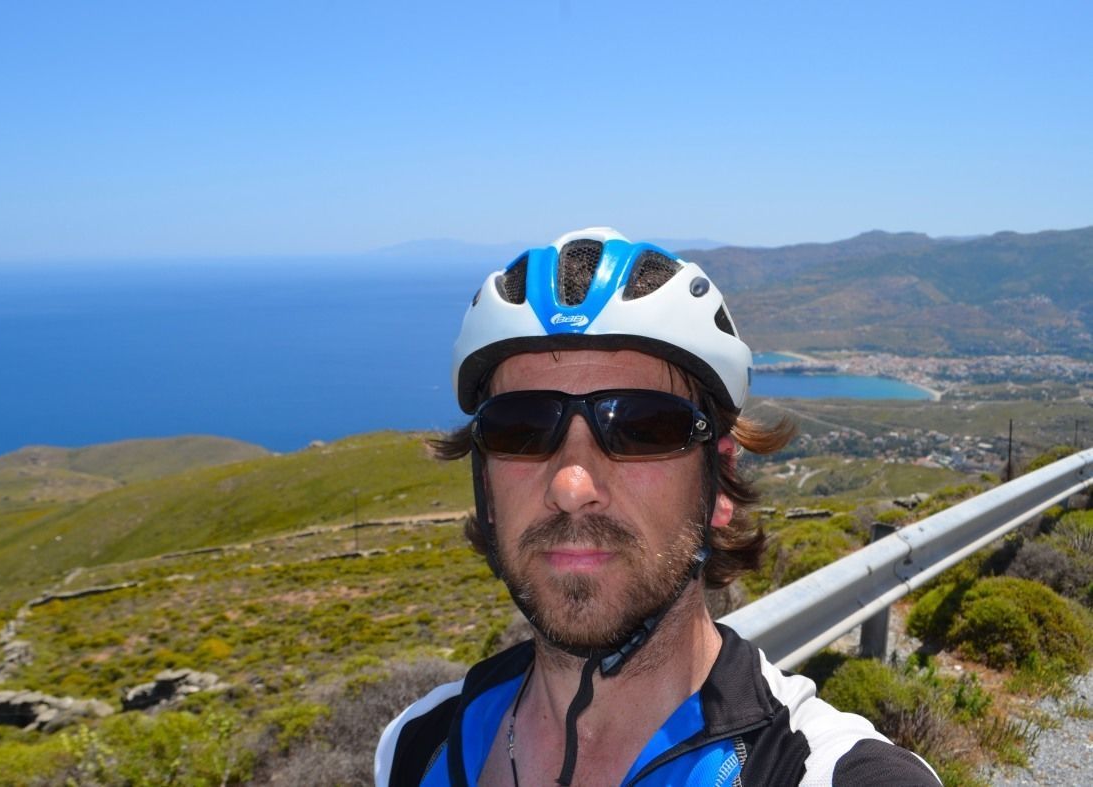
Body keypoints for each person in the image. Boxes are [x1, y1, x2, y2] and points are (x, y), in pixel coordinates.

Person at [375, 228, 940, 786]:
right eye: (520, 429)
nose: (571, 486)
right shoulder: (416, 745)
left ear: (718, 484)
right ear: (486, 484)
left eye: (642, 429)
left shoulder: (821, 770)